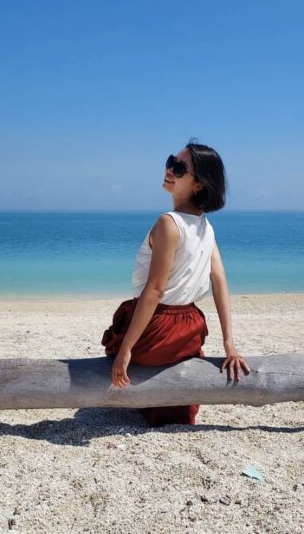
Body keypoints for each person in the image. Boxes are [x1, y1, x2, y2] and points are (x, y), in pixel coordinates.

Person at [101, 140, 250, 426]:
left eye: (180, 168)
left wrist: (126, 349)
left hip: (157, 328)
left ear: (198, 185)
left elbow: (155, 290)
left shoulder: (169, 223)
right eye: (171, 162)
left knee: (115, 341)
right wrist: (229, 343)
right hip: (190, 329)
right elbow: (219, 280)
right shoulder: (206, 226)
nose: (170, 170)